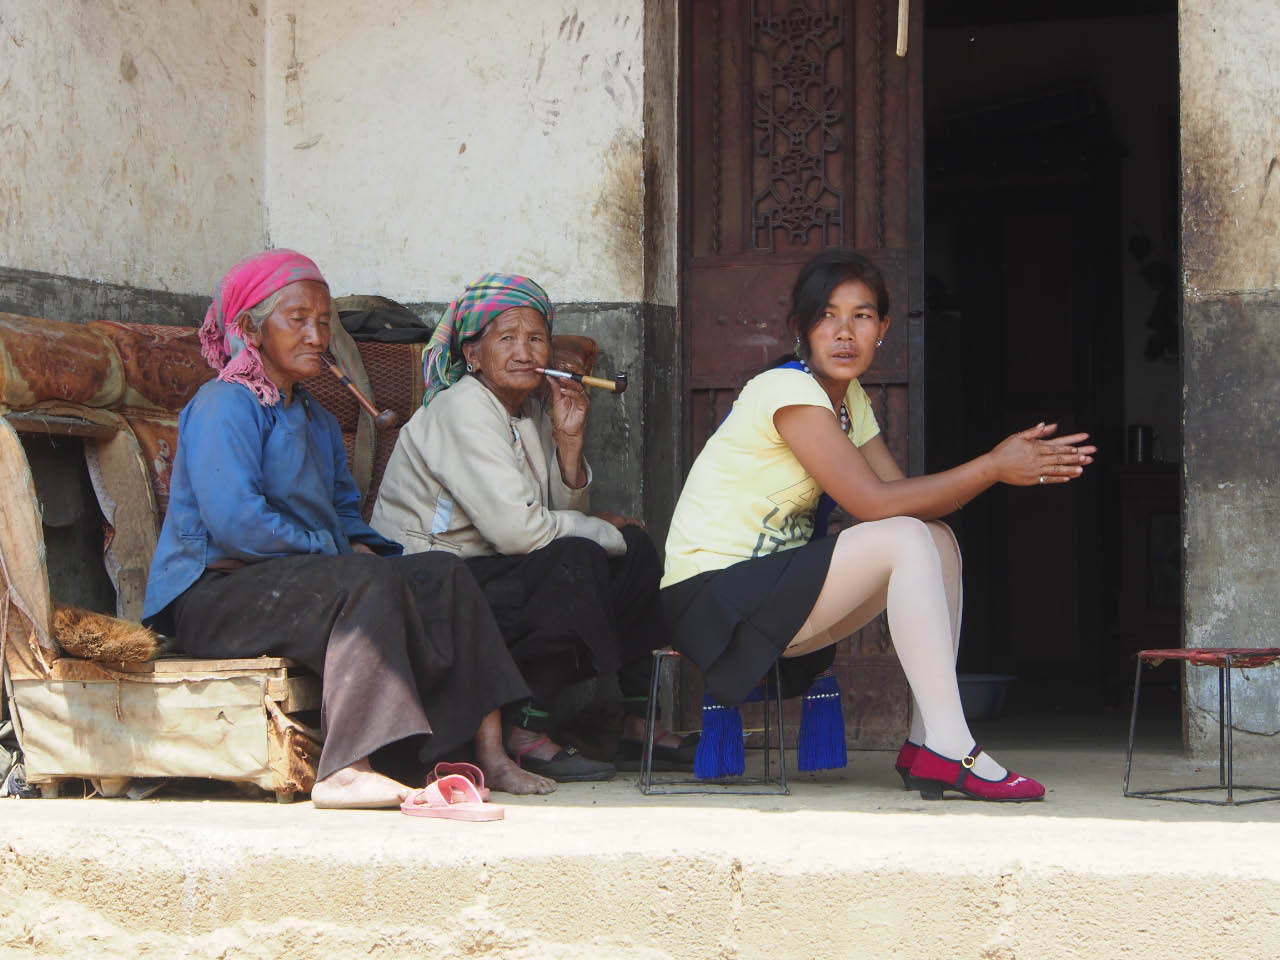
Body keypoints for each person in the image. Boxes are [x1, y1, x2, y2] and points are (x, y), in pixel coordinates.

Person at [661, 250, 1096, 802]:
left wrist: (1000, 470)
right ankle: (953, 747)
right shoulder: (785, 390)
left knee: (934, 540)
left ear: (883, 328)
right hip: (712, 599)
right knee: (906, 536)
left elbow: (904, 505)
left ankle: (928, 742)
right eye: (827, 316)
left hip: (767, 594)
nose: (845, 333)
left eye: (862, 316)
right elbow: (872, 504)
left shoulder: (849, 402)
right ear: (801, 328)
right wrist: (991, 467)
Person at [142, 250, 554, 808]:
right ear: (250, 330)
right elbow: (236, 524)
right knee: (362, 580)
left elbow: (343, 514)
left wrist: (365, 548)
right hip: (218, 594)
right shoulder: (224, 405)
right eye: (298, 320)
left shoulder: (315, 419)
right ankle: (346, 768)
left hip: (302, 583)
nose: (317, 336)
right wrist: (339, 552)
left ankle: (489, 754)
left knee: (445, 574)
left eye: (323, 322)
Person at [370, 273, 693, 782]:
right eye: (506, 339)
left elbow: (543, 510)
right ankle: (526, 728)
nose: (525, 351)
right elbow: (521, 533)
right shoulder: (463, 408)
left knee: (634, 552)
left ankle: (637, 722)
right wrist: (592, 527)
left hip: (492, 568)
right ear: (472, 355)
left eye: (536, 338)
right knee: (580, 559)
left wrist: (568, 442)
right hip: (432, 581)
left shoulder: (527, 413)